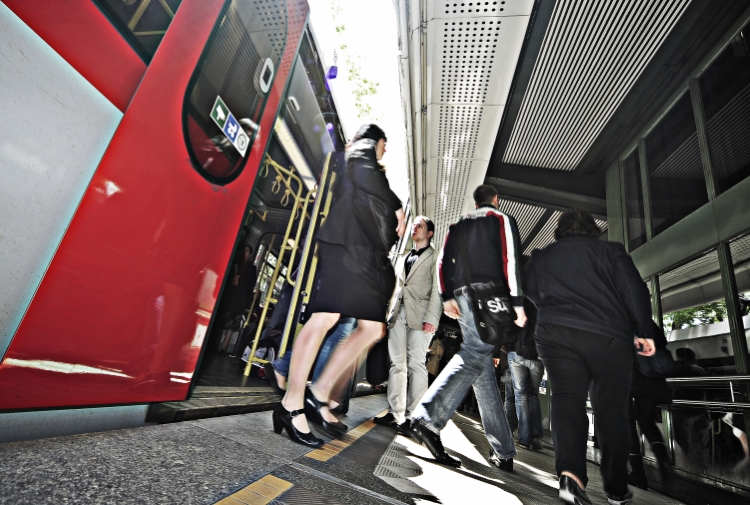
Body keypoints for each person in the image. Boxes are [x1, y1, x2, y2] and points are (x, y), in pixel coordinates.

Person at [272, 124, 406, 447]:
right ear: (374, 139)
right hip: (343, 246)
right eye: (384, 143)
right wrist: (397, 205)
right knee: (325, 318)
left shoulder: (367, 165)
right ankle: (291, 404)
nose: (385, 150)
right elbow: (368, 184)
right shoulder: (360, 153)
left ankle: (318, 392)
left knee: (372, 327)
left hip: (357, 251)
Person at [523, 209, 656, 505]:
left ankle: (571, 476)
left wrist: (556, 302)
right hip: (607, 336)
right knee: (612, 409)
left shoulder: (542, 256)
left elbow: (529, 289)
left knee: (567, 398)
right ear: (593, 229)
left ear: (559, 231)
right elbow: (635, 290)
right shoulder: (610, 251)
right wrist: (644, 330)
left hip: (556, 334)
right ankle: (617, 487)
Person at [409, 184, 525, 471]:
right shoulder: (501, 219)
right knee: (474, 353)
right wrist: (518, 302)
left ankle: (504, 451)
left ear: (476, 202)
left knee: (482, 368)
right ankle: (427, 418)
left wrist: (447, 294)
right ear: (495, 200)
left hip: (461, 296)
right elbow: (510, 260)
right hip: (489, 295)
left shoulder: (457, 224)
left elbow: (442, 260)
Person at [374, 216, 442, 433]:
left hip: (421, 317)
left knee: (416, 364)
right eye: (413, 226)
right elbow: (397, 288)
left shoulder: (435, 257)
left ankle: (414, 418)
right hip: (398, 314)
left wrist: (432, 318)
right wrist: (388, 314)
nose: (415, 229)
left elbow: (438, 290)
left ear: (429, 233)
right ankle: (396, 414)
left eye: (420, 226)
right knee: (397, 364)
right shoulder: (404, 257)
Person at [627, 322, 675, 490]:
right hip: (653, 379)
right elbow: (662, 342)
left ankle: (638, 473)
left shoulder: (622, 321)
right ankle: (663, 458)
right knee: (647, 422)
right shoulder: (648, 323)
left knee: (628, 424)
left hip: (633, 379)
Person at [508, 300, 544, 451]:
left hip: (517, 353)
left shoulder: (519, 299)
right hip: (538, 356)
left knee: (521, 396)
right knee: (533, 395)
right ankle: (536, 434)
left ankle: (524, 438)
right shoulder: (543, 303)